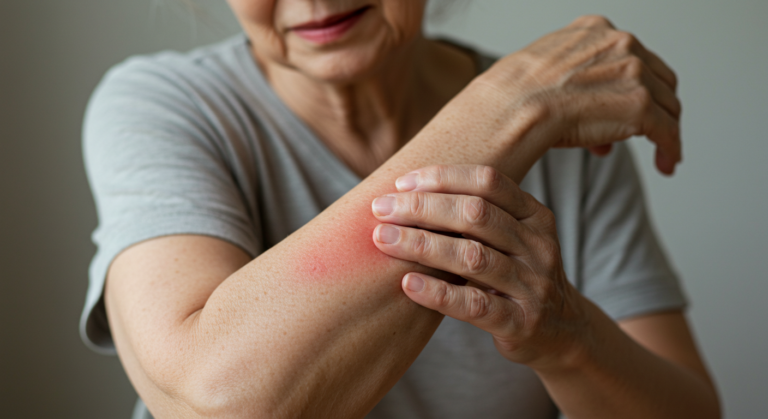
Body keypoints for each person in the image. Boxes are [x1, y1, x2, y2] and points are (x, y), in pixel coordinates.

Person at [80, 1, 720, 418]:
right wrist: (511, 107)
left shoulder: (563, 115)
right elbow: (214, 405)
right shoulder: (164, 104)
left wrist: (567, 338)